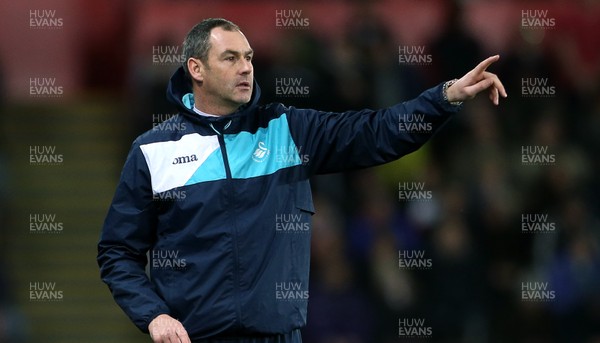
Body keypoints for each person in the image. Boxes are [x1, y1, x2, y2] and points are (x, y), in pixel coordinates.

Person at [97, 18, 507, 343]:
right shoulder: (152, 150)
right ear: (196, 69)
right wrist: (154, 315)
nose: (246, 68)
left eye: (250, 57)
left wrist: (444, 98)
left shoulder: (285, 130)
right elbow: (117, 251)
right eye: (231, 58)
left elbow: (374, 132)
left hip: (280, 336)